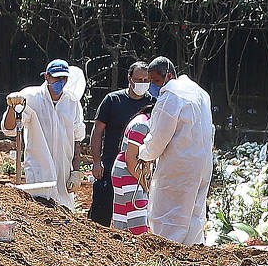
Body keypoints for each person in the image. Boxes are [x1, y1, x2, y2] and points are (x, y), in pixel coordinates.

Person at [139, 56, 215, 247]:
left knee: (168, 214)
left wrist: (143, 153)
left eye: (156, 81)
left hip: (178, 166)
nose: (154, 87)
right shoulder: (201, 94)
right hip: (202, 165)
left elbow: (159, 138)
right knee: (194, 212)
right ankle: (192, 254)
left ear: (169, 76)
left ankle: (167, 255)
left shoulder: (171, 96)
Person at [3, 59, 87, 208]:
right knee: (40, 213)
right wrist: (11, 107)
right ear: (46, 76)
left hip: (63, 173)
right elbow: (10, 129)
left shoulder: (72, 103)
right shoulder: (31, 97)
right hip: (38, 171)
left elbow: (77, 139)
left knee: (64, 216)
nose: (60, 82)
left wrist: (76, 171)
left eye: (64, 78)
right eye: (56, 78)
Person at [88, 60, 155, 226]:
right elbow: (97, 131)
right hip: (111, 165)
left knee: (133, 216)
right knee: (101, 214)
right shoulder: (113, 100)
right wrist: (97, 162)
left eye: (146, 80)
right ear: (129, 79)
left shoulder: (152, 104)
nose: (143, 83)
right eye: (139, 79)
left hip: (139, 168)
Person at [109, 105, 156, 237]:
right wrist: (146, 186)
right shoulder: (142, 125)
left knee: (122, 217)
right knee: (139, 220)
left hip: (125, 171)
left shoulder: (142, 122)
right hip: (129, 173)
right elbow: (131, 160)